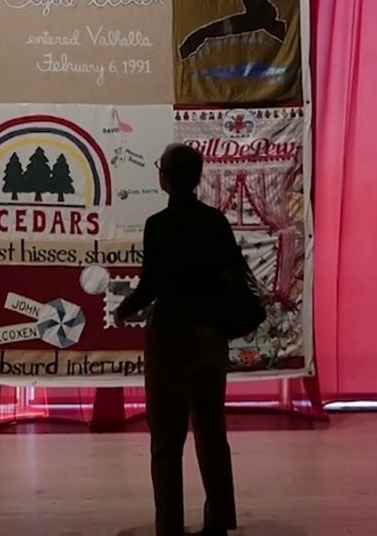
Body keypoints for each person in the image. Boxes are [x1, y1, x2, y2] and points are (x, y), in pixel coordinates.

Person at [115, 143, 243, 536]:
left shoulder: (158, 225)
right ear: (197, 178)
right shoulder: (216, 222)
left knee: (166, 440)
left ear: (164, 179)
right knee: (211, 433)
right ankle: (219, 520)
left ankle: (169, 525)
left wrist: (124, 309)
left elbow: (151, 285)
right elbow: (234, 277)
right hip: (210, 337)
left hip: (169, 339)